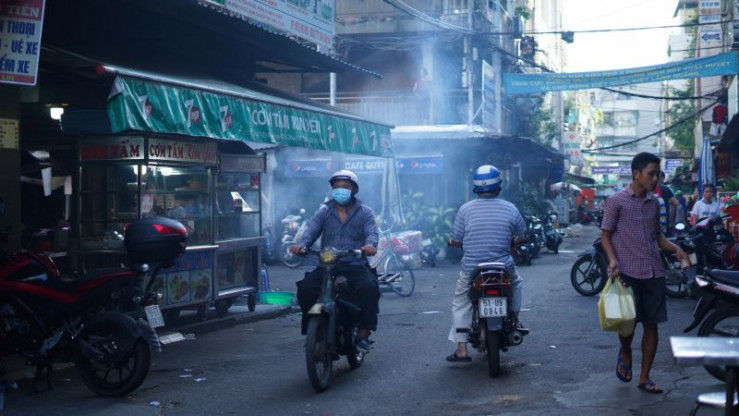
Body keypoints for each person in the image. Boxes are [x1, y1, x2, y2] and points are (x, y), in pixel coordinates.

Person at [600, 152, 690, 394]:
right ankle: (625, 351)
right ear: (636, 174)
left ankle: (645, 377)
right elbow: (606, 235)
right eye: (651, 174)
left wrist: (676, 249)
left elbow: (657, 236)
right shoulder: (616, 201)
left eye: (657, 174)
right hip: (627, 273)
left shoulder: (655, 203)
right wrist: (612, 260)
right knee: (627, 326)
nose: (655, 179)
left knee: (652, 325)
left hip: (654, 272)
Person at [290, 170, 380, 353]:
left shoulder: (365, 212)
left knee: (369, 288)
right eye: (336, 187)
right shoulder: (324, 211)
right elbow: (311, 231)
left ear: (354, 189)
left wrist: (369, 246)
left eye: (345, 187)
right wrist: (302, 246)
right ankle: (315, 330)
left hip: (354, 264)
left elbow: (372, 233)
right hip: (327, 264)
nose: (340, 190)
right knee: (306, 289)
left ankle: (363, 334)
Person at [445, 165, 527, 362]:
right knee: (516, 283)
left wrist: (453, 242)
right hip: (503, 267)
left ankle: (462, 350)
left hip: (472, 269)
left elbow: (455, 240)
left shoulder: (465, 209)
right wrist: (514, 241)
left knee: (461, 301)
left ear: (476, 187)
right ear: (498, 186)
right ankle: (515, 319)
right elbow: (522, 235)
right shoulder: (510, 208)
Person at [655, 171, 679, 236]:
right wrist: (673, 220)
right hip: (665, 220)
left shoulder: (648, 188)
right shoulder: (666, 188)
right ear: (663, 178)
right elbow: (676, 203)